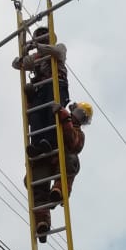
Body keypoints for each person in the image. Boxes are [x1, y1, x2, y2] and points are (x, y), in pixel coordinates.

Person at [31, 101, 93, 242]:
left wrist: (64, 116)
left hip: (63, 165)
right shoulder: (56, 121)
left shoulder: (78, 133)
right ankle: (42, 223)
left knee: (70, 161)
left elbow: (73, 141)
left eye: (82, 117)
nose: (78, 117)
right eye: (78, 113)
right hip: (49, 159)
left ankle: (58, 192)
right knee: (38, 182)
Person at [12, 26, 69, 154]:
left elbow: (57, 53)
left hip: (57, 84)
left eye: (45, 34)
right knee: (35, 114)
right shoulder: (36, 57)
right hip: (42, 88)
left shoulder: (59, 47)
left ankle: (50, 141)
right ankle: (36, 144)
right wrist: (25, 52)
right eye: (39, 34)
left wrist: (37, 46)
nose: (42, 36)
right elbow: (17, 64)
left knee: (51, 112)